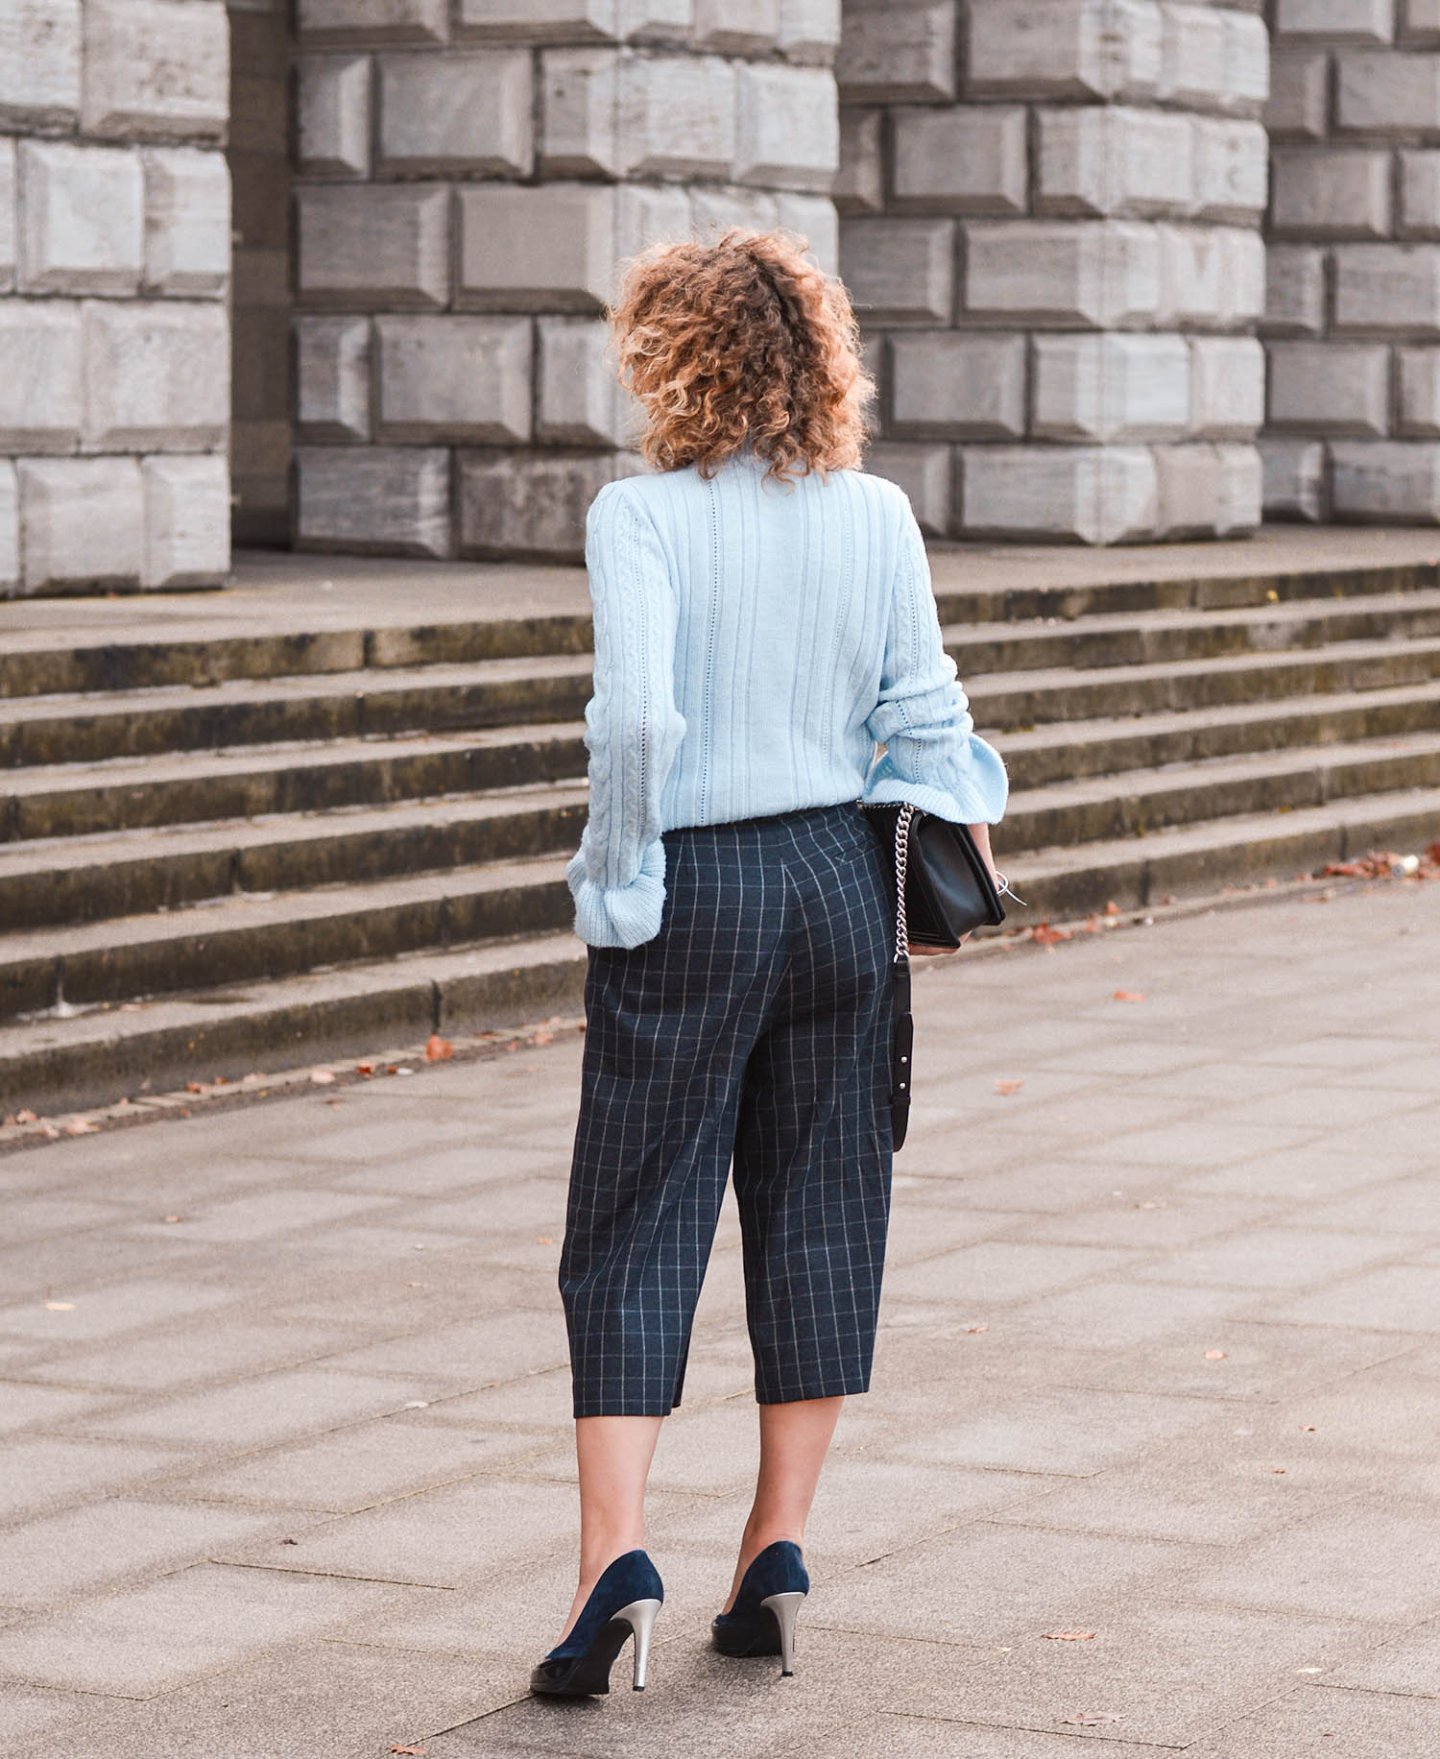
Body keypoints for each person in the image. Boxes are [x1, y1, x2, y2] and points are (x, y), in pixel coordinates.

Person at [530, 229, 1009, 1700]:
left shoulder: (642, 517)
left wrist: (619, 887)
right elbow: (930, 727)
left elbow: (636, 729)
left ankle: (617, 1563)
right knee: (820, 1206)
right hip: (835, 882)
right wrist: (956, 847)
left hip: (697, 882)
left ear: (671, 357)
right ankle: (775, 1552)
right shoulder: (876, 515)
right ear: (819, 358)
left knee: (634, 1217)